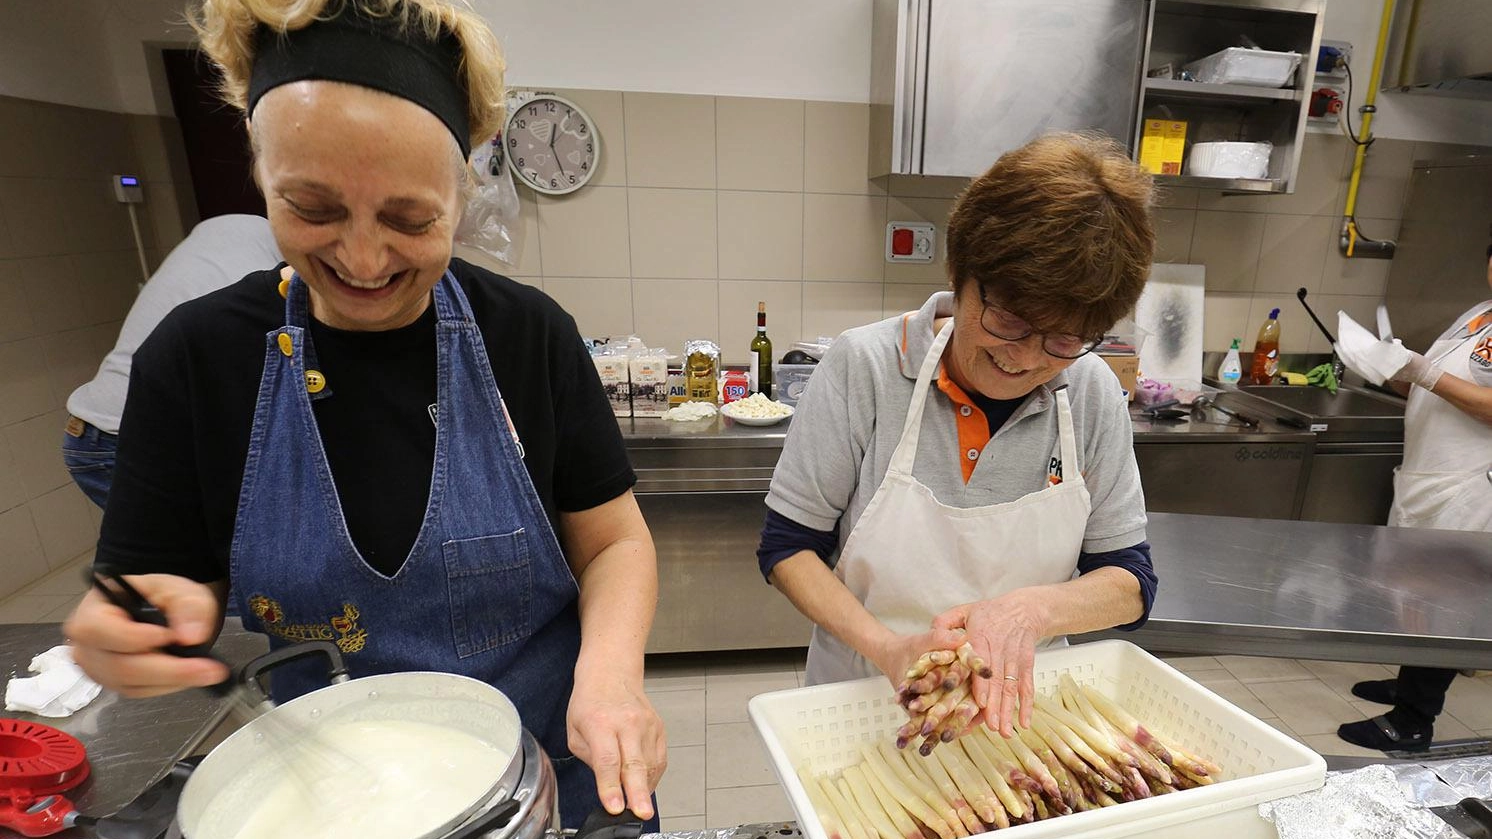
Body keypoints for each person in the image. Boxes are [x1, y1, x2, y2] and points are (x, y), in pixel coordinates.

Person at [62, 0, 665, 828]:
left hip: (555, 765)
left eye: (409, 220)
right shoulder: (195, 360)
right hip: (327, 801)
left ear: (462, 193)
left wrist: (610, 679)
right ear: (259, 170)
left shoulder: (528, 337)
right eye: (312, 209)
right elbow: (154, 591)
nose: (363, 256)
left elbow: (615, 542)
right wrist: (129, 633)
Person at [756, 133, 1159, 736]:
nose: (1023, 359)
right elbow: (788, 548)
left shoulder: (1093, 391)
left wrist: (1032, 610)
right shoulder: (864, 366)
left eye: (1063, 340)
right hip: (868, 700)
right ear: (959, 275)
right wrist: (890, 649)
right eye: (1008, 320)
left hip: (1020, 714)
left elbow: (1130, 580)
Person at [1334, 230, 1492, 751]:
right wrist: (1390, 368)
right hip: (1429, 478)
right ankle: (1409, 682)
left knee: (1446, 599)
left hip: (1471, 488)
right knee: (1417, 589)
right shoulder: (1480, 314)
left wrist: (1423, 371)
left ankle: (1413, 718)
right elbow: (1438, 384)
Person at [63, 215, 282, 509]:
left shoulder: (239, 228)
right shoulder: (257, 289)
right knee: (227, 549)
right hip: (115, 438)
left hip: (113, 429)